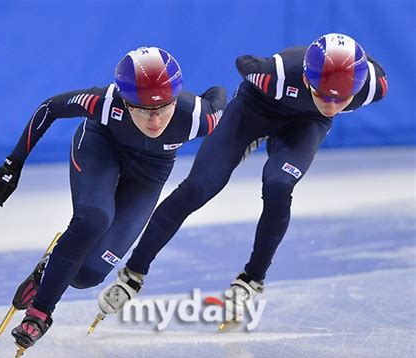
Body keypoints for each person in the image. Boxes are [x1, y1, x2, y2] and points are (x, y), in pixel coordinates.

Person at [97, 33, 388, 327]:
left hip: (306, 124)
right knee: (198, 187)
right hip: (254, 111)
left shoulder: (372, 86)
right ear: (306, 78)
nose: (332, 105)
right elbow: (244, 63)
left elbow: (367, 74)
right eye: (323, 95)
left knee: (279, 185)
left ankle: (252, 278)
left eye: (342, 99)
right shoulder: (275, 74)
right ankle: (134, 273)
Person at [0, 46, 226, 348]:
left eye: (163, 108)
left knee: (87, 275)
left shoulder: (198, 118)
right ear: (125, 102)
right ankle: (39, 314)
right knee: (95, 218)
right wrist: (13, 163)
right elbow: (50, 107)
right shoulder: (103, 102)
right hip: (101, 148)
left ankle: (49, 268)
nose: (154, 121)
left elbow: (219, 93)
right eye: (141, 109)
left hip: (151, 170)